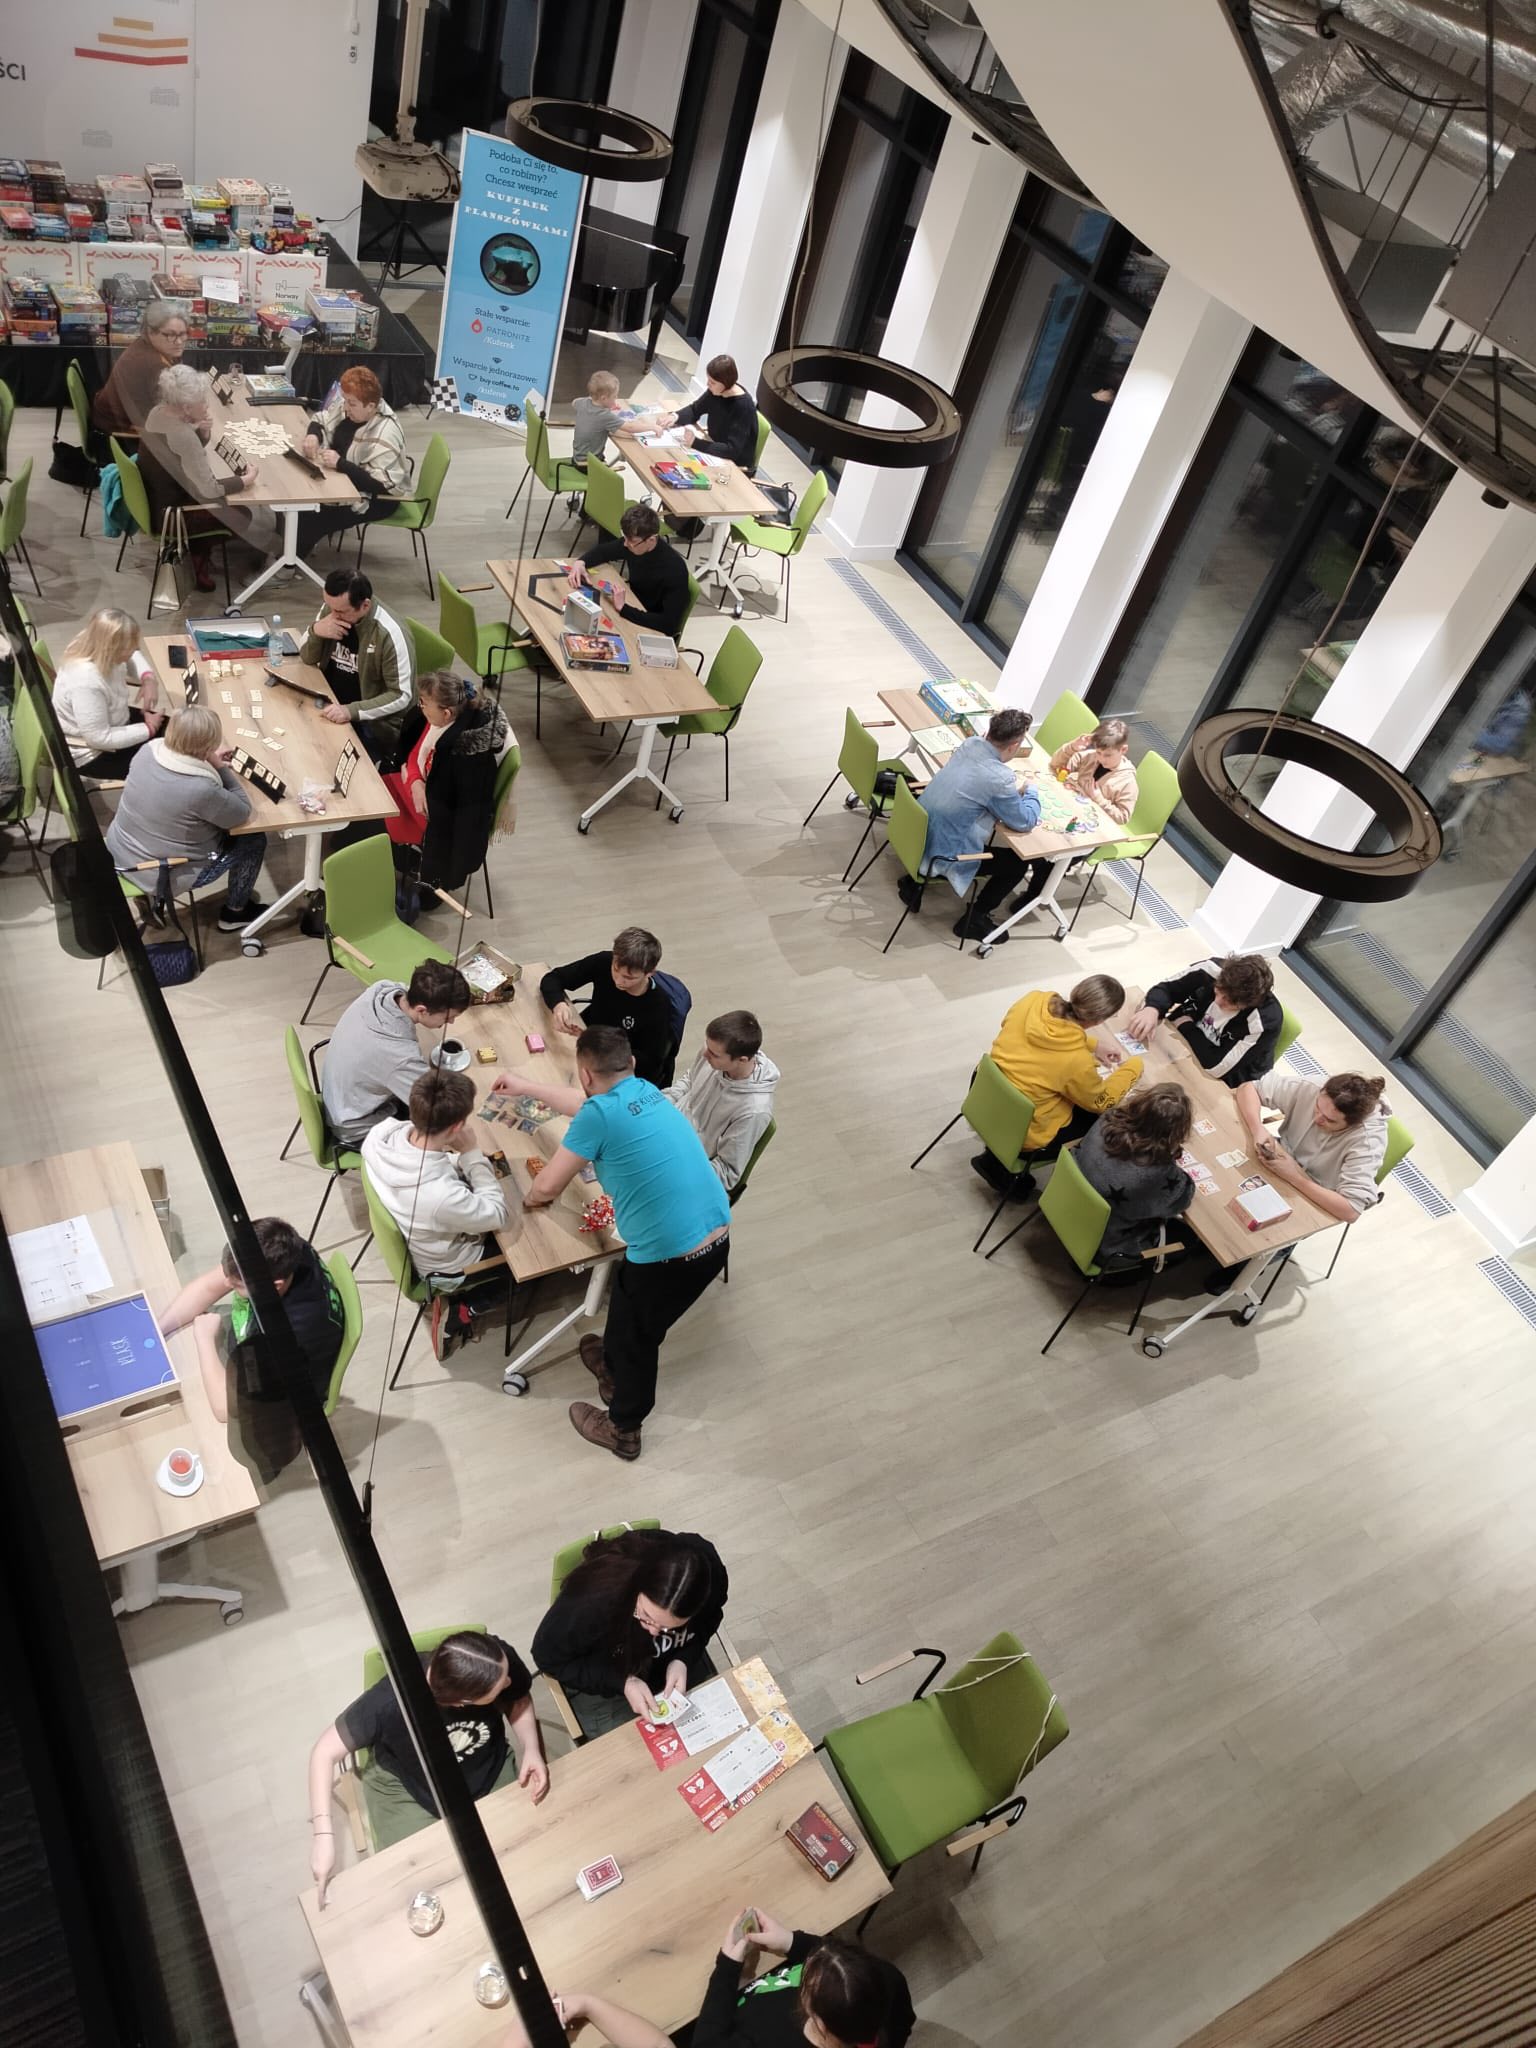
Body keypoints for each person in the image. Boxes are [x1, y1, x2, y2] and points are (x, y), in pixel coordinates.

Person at [502, 1025, 729, 1460]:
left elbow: (546, 1186)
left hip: (670, 1257)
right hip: (714, 1237)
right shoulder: (645, 1091)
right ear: (631, 1064)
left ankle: (624, 1428)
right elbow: (588, 1106)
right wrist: (526, 1087)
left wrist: (528, 1200)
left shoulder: (600, 1114)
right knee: (627, 1311)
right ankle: (611, 1366)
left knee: (638, 1339)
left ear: (586, 1074)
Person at [307, 1630, 547, 1904]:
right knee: (419, 1883)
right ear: (461, 1703)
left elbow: (518, 1698)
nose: (508, 1681)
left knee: (522, 1852)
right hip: (408, 1787)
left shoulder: (494, 1659)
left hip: (486, 1767)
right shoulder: (390, 1701)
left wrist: (531, 1748)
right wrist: (323, 1836)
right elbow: (323, 1752)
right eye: (499, 1687)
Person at [550, 1908, 915, 2048]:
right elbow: (830, 1955)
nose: (813, 1956)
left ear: (817, 2019)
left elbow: (704, 2041)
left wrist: (727, 1965)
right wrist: (791, 1942)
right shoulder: (887, 1984)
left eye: (808, 1975)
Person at [159, 1216, 345, 1481]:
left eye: (237, 1285)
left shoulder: (285, 1337)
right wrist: (158, 1331)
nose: (227, 1285)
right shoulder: (281, 1250)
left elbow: (224, 1409)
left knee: (190, 1418)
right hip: (251, 1347)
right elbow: (209, 1285)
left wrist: (204, 1340)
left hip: (277, 1405)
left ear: (275, 1287)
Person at [360, 1068, 510, 1359]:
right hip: (447, 1266)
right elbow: (496, 1214)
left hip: (419, 1235)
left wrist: (458, 1162)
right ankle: (463, 1310)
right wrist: (470, 1153)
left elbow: (431, 1162)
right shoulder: (441, 1197)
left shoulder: (381, 1134)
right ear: (457, 1127)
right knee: (528, 1264)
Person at [531, 1526, 729, 1738]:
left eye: (669, 1627)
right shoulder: (593, 1599)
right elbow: (547, 1657)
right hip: (606, 1680)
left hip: (672, 1669)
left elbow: (711, 1618)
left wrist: (683, 1659)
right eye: (646, 1616)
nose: (654, 1632)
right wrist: (623, 1681)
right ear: (637, 1587)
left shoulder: (709, 1575)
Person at [103, 705, 269, 933]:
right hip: (158, 872)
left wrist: (205, 759)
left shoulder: (147, 751)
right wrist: (219, 766)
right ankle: (235, 913)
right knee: (254, 839)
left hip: (120, 851)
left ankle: (152, 900)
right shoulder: (200, 789)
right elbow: (242, 811)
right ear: (208, 747)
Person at [978, 974, 1144, 1192]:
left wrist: (1092, 1045)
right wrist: (1134, 1067)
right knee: (1104, 1120)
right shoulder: (1076, 1062)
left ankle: (993, 1157)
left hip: (985, 1098)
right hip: (1024, 1133)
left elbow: (1047, 1034)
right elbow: (1101, 1101)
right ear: (1100, 1019)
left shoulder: (1034, 1000)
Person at [382, 671, 512, 922]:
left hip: (440, 821)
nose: (420, 707)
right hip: (421, 793)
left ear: (447, 713)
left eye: (424, 703)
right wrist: (416, 782)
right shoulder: (434, 723)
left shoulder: (464, 757)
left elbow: (456, 814)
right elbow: (413, 755)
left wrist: (415, 782)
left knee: (372, 812)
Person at [908, 707, 1042, 943]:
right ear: (1014, 746)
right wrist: (1031, 791)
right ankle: (974, 919)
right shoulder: (1000, 778)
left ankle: (912, 883)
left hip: (915, 836)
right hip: (942, 854)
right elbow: (1025, 821)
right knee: (1017, 863)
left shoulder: (969, 744)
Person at [139, 364, 279, 587]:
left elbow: (178, 452)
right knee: (243, 512)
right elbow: (209, 489)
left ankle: (200, 550)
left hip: (155, 500)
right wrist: (245, 480)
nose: (206, 405)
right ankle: (200, 553)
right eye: (202, 401)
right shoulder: (182, 435)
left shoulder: (157, 413)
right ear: (186, 407)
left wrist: (200, 432)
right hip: (175, 516)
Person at [321, 958, 473, 1148]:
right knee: (442, 1130)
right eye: (448, 1017)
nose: (450, 1023)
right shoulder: (399, 1058)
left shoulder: (382, 990)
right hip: (357, 1126)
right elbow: (438, 1107)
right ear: (422, 1010)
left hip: (342, 1099)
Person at [1006, 717, 1140, 914]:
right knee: (1031, 838)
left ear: (1123, 750)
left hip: (1090, 834)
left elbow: (1122, 817)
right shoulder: (1091, 757)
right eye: (1099, 752)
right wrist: (1072, 748)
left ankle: (1034, 895)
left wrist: (1098, 798)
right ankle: (1025, 874)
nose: (1101, 759)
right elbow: (1056, 764)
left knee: (1048, 862)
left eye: (1107, 755)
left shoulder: (1127, 782)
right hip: (1070, 814)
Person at [1234, 1070, 1390, 1224]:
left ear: (1352, 1124)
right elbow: (1249, 1088)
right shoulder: (1315, 1087)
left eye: (1330, 1120)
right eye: (1317, 1108)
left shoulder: (1368, 1140)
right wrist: (1258, 1128)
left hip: (1314, 1192)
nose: (1317, 1119)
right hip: (1279, 1158)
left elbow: (1351, 1211)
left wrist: (1294, 1177)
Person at [539, 928, 679, 1087]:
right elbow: (553, 978)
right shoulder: (604, 962)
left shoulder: (658, 1006)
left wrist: (602, 1049)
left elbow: (651, 1062)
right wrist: (559, 1004)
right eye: (615, 970)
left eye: (628, 978)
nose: (618, 980)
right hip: (586, 1040)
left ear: (650, 973)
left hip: (616, 1070)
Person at [297, 364, 413, 553]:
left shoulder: (385, 432)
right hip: (343, 479)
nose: (345, 407)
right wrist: (313, 435)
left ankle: (288, 563)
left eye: (351, 404)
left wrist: (340, 464)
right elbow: (321, 419)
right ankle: (291, 546)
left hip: (377, 499)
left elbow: (383, 486)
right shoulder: (350, 408)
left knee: (311, 515)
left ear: (371, 406)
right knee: (300, 495)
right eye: (345, 400)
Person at [1073, 1084, 1195, 1263]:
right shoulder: (1156, 1173)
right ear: (1176, 1133)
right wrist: (1169, 1159)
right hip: (1103, 1245)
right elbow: (1182, 1198)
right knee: (1190, 1238)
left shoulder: (1107, 1119)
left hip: (1068, 1206)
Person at [1125, 954, 1283, 1088]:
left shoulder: (1265, 1020)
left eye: (1228, 1002)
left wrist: (1186, 1026)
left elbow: (1217, 1067)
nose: (1218, 1001)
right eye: (1218, 991)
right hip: (1180, 1045)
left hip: (1224, 1081)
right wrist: (1152, 1008)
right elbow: (1166, 988)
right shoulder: (1212, 970)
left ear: (1247, 1004)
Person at [665, 1011, 779, 1193]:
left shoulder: (754, 1110)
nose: (705, 1054)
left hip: (685, 1164)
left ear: (742, 1060)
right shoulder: (712, 1055)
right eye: (707, 1046)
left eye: (714, 1054)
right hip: (665, 1130)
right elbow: (690, 1081)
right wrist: (659, 1104)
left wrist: (676, 1172)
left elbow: (727, 1172)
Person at [300, 569, 412, 748]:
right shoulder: (332, 608)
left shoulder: (390, 634)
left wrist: (350, 711)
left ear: (365, 606)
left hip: (369, 723)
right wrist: (316, 631)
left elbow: (401, 695)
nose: (332, 615)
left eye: (340, 611)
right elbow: (307, 657)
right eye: (329, 606)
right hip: (328, 700)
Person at [53, 608, 163, 775]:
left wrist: (148, 678)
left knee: (177, 734)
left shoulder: (90, 642)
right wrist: (148, 728)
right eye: (128, 648)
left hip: (115, 722)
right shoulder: (86, 683)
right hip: (94, 753)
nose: (133, 651)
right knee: (170, 761)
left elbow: (134, 654)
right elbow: (99, 738)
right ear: (110, 648)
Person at [569, 503, 690, 638]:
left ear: (651, 540)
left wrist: (624, 608)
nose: (625, 544)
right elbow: (603, 551)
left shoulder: (674, 570)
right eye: (625, 537)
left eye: (631, 541)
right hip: (632, 603)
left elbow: (668, 624)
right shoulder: (634, 544)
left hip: (649, 626)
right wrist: (581, 562)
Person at [643, 353, 760, 472]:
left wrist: (695, 443)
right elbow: (695, 409)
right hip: (713, 447)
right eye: (709, 380)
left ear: (726, 383)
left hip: (734, 465)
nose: (708, 385)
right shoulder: (716, 391)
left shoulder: (743, 406)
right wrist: (675, 417)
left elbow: (732, 450)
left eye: (713, 382)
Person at [92, 299, 190, 436]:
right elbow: (168, 417)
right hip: (119, 433)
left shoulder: (145, 344)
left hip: (108, 420)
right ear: (151, 332)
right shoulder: (155, 365)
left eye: (182, 334)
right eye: (170, 335)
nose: (179, 341)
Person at [571, 369, 634, 464]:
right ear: (604, 398)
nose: (616, 398)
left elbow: (574, 402)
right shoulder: (605, 415)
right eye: (614, 396)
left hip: (576, 459)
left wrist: (599, 401)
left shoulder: (583, 403)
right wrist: (652, 427)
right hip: (589, 465)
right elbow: (630, 427)